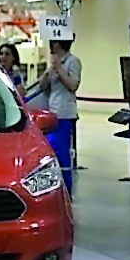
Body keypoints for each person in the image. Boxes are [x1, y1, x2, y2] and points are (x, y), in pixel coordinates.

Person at [40, 39, 82, 195]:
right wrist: (49, 70)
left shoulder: (73, 61)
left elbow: (73, 85)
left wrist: (59, 68)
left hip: (65, 113)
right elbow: (43, 86)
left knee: (63, 153)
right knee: (52, 152)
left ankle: (67, 191)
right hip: (51, 111)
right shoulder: (53, 62)